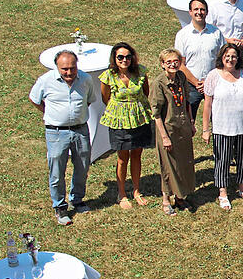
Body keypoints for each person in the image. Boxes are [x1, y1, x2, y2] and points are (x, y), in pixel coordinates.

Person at [29, 50, 97, 225]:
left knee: (82, 167)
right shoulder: (46, 81)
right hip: (56, 132)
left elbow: (89, 100)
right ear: (57, 67)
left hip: (80, 130)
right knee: (57, 171)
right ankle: (60, 207)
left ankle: (78, 199)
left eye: (72, 68)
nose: (69, 73)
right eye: (64, 69)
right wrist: (51, 114)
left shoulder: (85, 80)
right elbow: (34, 99)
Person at [203, 44, 243, 211]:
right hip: (223, 128)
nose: (230, 59)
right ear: (221, 57)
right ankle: (223, 193)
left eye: (234, 56)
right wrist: (206, 129)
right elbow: (207, 105)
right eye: (227, 56)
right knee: (223, 160)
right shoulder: (213, 76)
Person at [99, 42, 153, 210]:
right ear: (114, 59)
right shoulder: (108, 76)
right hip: (120, 120)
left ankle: (137, 191)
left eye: (128, 57)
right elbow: (105, 97)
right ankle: (121, 194)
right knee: (123, 158)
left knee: (137, 155)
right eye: (120, 57)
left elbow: (146, 92)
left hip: (139, 118)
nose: (124, 60)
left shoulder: (141, 72)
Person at [149, 49, 196, 216]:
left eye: (175, 61)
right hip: (168, 130)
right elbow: (156, 114)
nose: (173, 64)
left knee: (183, 163)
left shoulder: (182, 78)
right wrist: (164, 137)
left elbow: (187, 102)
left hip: (182, 127)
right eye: (168, 62)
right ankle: (165, 200)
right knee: (168, 165)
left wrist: (191, 123)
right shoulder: (159, 84)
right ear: (162, 64)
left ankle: (180, 196)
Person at [175, 0, 226, 122]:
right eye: (196, 9)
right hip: (192, 85)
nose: (199, 12)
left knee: (219, 119)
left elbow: (223, 59)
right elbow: (181, 64)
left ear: (207, 12)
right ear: (190, 12)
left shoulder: (216, 33)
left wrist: (208, 81)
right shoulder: (183, 35)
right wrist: (197, 82)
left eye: (202, 9)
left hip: (214, 83)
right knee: (187, 121)